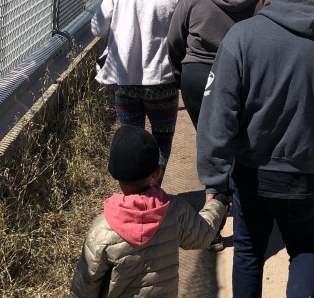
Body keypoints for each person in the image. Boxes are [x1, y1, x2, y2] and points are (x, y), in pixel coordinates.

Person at [197, 0, 314, 298]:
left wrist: (214, 179)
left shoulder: (242, 37)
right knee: (305, 250)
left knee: (248, 252)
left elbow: (217, 114)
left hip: (252, 174)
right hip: (306, 175)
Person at [69, 125, 230, 298]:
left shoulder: (102, 230)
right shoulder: (175, 210)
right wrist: (218, 204)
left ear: (115, 174)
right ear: (156, 173)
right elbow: (203, 234)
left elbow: (84, 287)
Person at [91, 0, 186, 182]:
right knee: (162, 139)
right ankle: (155, 192)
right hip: (163, 81)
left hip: (123, 80)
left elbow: (97, 28)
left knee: (131, 140)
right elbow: (184, 35)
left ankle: (134, 197)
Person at [168, 0, 264, 129]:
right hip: (248, 76)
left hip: (199, 76)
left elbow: (174, 41)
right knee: (245, 142)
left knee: (208, 142)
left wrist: (181, 76)